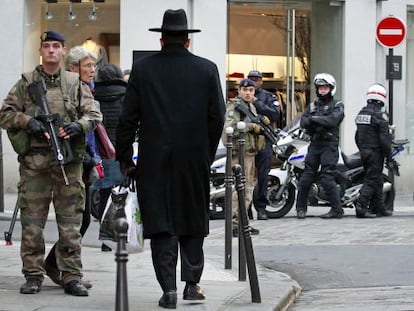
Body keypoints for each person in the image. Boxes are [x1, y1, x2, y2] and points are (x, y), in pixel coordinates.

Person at [115, 9, 225, 309]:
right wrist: (206, 150)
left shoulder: (144, 69)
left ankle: (168, 290)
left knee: (162, 222)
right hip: (194, 158)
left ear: (161, 40)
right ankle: (192, 283)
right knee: (192, 217)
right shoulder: (207, 69)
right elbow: (218, 117)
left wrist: (124, 156)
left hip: (154, 158)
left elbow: (127, 118)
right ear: (188, 41)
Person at [0, 31, 102, 296]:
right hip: (35, 164)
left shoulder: (73, 82)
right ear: (41, 51)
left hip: (67, 163)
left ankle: (71, 275)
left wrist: (77, 126)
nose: (52, 51)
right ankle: (33, 274)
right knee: (32, 223)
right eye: (47, 46)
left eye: (56, 46)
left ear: (64, 50)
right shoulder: (27, 83)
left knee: (70, 222)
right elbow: (6, 113)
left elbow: (94, 114)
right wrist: (28, 122)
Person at [295, 73, 344, 219]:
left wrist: (314, 119)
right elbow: (303, 122)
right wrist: (318, 120)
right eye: (320, 88)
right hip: (315, 144)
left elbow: (333, 121)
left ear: (331, 88)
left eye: (325, 87)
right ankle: (300, 209)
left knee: (327, 177)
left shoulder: (337, 105)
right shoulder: (312, 105)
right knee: (306, 177)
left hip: (329, 145)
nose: (322, 90)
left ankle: (337, 210)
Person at [223, 78, 266, 237]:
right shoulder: (234, 107)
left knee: (248, 188)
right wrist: (250, 127)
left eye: (251, 91)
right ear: (239, 90)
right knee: (239, 188)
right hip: (238, 153)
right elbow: (229, 128)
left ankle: (243, 222)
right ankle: (235, 224)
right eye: (245, 90)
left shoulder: (251, 107)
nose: (248, 93)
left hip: (249, 152)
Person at [94, 64, 126, 244]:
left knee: (104, 192)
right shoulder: (126, 94)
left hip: (101, 148)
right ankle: (117, 232)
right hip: (119, 148)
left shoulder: (93, 95)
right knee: (120, 192)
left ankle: (104, 235)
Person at [354, 83, 393, 218]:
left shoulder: (361, 114)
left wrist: (362, 149)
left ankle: (379, 208)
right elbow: (385, 140)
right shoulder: (379, 116)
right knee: (371, 180)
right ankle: (361, 207)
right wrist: (389, 157)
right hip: (375, 152)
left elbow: (357, 136)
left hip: (364, 152)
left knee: (377, 180)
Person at [247, 70, 280, 220]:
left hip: (263, 140)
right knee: (245, 175)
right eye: (251, 79)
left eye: (256, 79)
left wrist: (256, 102)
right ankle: (245, 208)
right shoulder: (242, 97)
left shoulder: (269, 96)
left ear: (261, 81)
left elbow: (274, 114)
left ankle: (261, 207)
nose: (254, 82)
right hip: (246, 140)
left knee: (262, 175)